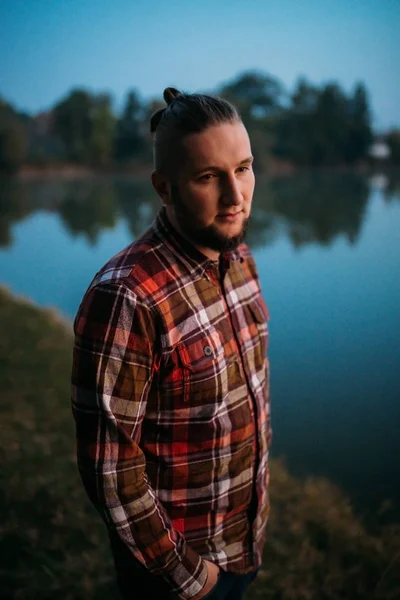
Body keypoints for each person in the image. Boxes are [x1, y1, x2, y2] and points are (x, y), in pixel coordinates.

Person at [71, 86, 272, 600]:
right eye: (208, 177)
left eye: (243, 168)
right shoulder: (127, 297)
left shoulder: (240, 259)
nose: (236, 196)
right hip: (179, 574)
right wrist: (187, 573)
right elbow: (110, 467)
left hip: (242, 543)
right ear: (164, 187)